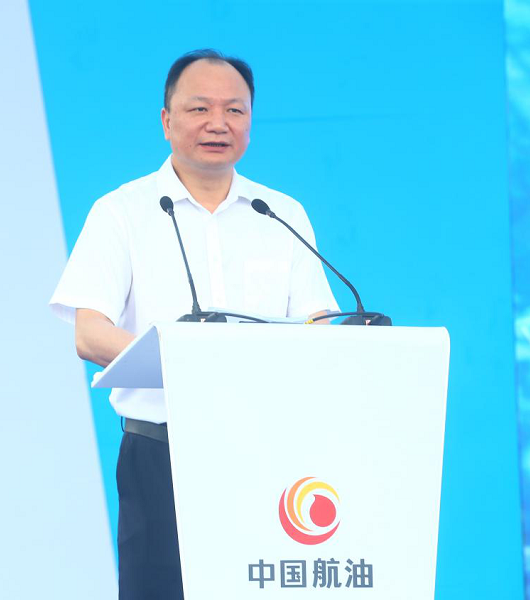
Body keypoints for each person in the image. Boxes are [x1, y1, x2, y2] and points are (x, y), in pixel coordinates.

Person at [50, 49, 339, 599]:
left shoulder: (281, 214)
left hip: (269, 451)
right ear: (166, 121)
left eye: (234, 110)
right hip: (162, 453)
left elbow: (317, 323)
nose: (218, 123)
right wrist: (192, 367)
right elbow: (90, 333)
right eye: (199, 108)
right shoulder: (123, 211)